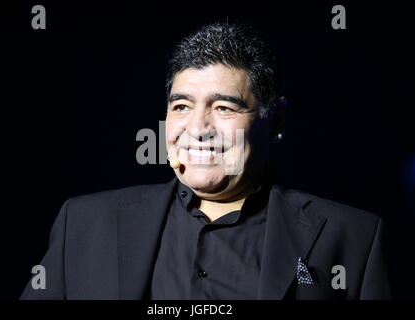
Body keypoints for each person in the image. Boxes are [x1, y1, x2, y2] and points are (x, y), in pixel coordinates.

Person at [21, 22, 391, 300]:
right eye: (181, 106)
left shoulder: (351, 237)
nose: (198, 127)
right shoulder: (85, 224)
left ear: (275, 121)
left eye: (224, 107)